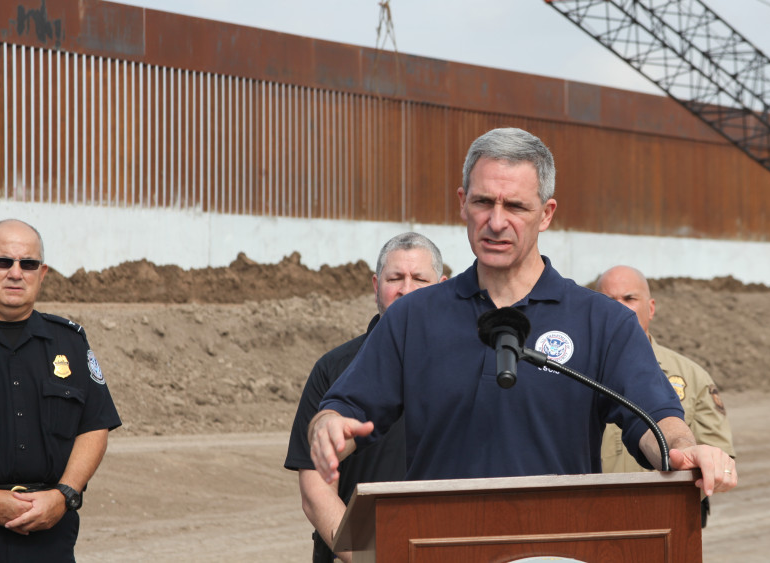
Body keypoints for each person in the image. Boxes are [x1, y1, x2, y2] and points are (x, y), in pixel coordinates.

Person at [308, 127, 737, 560]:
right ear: (462, 203)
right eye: (483, 202)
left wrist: (683, 450)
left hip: (559, 550)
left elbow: (656, 419)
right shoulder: (411, 318)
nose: (496, 222)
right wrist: (327, 426)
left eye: (515, 206)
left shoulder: (603, 321)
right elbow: (342, 411)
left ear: (546, 214)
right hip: (440, 547)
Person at [285, 231, 446, 562]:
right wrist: (370, 556)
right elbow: (316, 490)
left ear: (442, 288)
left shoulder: (466, 367)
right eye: (395, 278)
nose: (406, 290)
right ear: (376, 286)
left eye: (419, 279)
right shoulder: (333, 369)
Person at [0, 219, 122, 562]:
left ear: (42, 273)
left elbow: (94, 426)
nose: (15, 273)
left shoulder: (70, 343)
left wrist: (65, 494)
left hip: (50, 536)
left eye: (28, 264)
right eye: (3, 261)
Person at [595, 265, 735, 527]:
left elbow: (718, 455)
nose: (619, 308)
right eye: (609, 300)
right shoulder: (570, 372)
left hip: (665, 521)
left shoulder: (692, 376)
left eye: (629, 298)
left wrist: (711, 467)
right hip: (590, 519)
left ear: (651, 308)